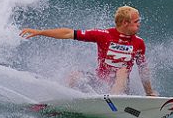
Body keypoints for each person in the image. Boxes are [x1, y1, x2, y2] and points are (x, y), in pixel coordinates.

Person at [19, 6, 158, 96]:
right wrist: (40, 32)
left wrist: (149, 92)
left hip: (121, 90)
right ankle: (59, 101)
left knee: (122, 71)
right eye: (136, 21)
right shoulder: (104, 35)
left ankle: (114, 100)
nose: (139, 23)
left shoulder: (139, 43)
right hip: (100, 83)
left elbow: (143, 70)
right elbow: (68, 33)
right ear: (125, 23)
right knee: (75, 74)